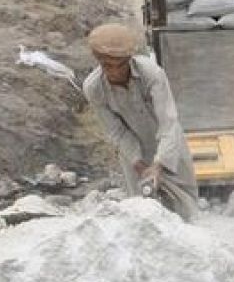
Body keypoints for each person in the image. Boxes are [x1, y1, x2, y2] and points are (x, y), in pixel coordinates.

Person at [81, 23, 199, 220]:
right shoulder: (93, 88)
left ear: (129, 60)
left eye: (120, 65)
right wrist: (138, 163)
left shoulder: (151, 74)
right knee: (143, 211)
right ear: (99, 62)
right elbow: (116, 131)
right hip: (135, 153)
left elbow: (168, 122)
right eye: (107, 66)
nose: (114, 72)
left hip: (168, 146)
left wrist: (160, 164)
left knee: (184, 205)